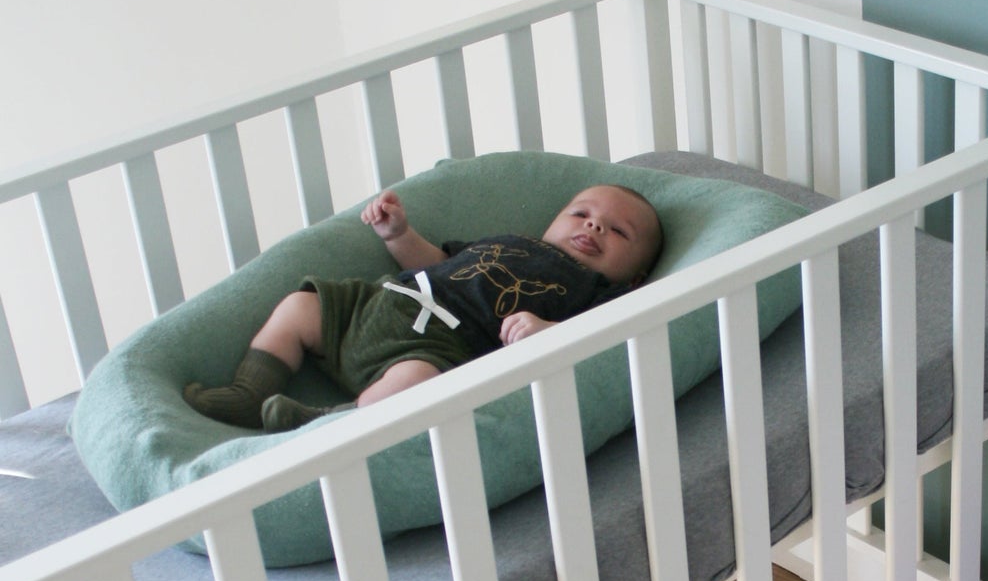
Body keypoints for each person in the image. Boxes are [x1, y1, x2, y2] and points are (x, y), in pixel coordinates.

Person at [184, 181, 664, 434]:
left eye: (618, 231)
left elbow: (599, 337)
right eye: (581, 213)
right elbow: (434, 261)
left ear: (635, 278)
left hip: (434, 345)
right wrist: (398, 235)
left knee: (416, 383)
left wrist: (545, 330)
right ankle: (250, 391)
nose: (594, 226)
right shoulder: (508, 242)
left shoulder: (595, 291)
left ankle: (329, 425)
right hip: (382, 303)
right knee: (300, 306)